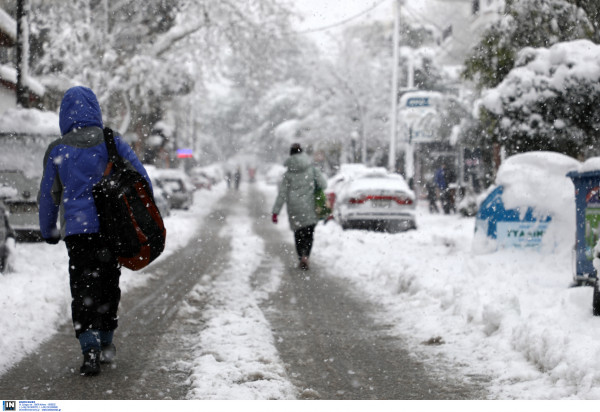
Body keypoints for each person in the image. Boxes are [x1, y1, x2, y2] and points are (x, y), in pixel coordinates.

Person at [38, 86, 152, 376]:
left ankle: (88, 345)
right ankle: (106, 341)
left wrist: (48, 229)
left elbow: (48, 195)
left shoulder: (57, 149)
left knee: (82, 286)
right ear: (95, 110)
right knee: (107, 284)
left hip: (77, 233)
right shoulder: (112, 141)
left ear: (64, 115)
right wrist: (145, 213)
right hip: (109, 228)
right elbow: (141, 178)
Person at [271, 143, 327, 270]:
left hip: (294, 208)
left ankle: (301, 255)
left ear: (290, 155)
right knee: (309, 233)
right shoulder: (312, 169)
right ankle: (306, 256)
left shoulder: (288, 174)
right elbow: (324, 185)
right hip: (310, 206)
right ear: (302, 153)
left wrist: (275, 212)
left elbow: (282, 194)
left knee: (298, 234)